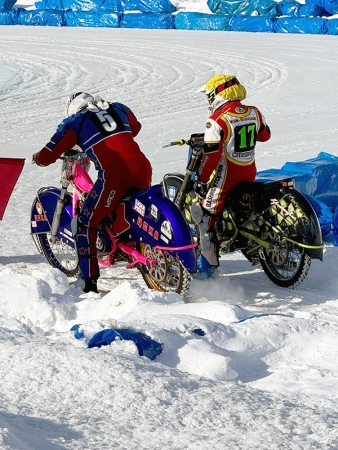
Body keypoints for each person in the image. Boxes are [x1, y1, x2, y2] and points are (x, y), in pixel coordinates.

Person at [32, 92, 152, 293]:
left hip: (114, 176)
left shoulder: (74, 122)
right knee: (130, 208)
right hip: (142, 168)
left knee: (85, 223)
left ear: (71, 108)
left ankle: (88, 282)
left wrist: (38, 157)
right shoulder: (118, 107)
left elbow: (48, 155)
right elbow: (135, 127)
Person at [192, 74, 271, 270]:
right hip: (249, 171)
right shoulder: (254, 112)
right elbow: (265, 136)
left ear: (217, 94)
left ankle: (207, 270)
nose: (208, 100)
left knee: (205, 216)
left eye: (209, 95)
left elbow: (210, 157)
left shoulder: (216, 120)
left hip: (226, 178)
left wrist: (200, 178)